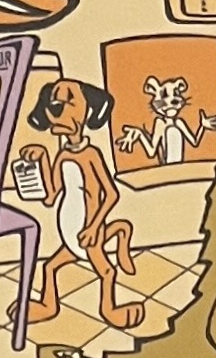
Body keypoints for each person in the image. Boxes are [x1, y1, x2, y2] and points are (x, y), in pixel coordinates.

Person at [15, 78, 144, 330]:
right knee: (50, 267)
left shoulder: (91, 155)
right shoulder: (63, 155)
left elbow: (111, 194)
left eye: (69, 101)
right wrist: (42, 158)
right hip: (69, 229)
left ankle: (109, 309)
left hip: (87, 231)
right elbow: (51, 195)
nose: (57, 108)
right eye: (55, 102)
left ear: (88, 112)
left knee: (106, 272)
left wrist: (94, 227)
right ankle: (48, 305)